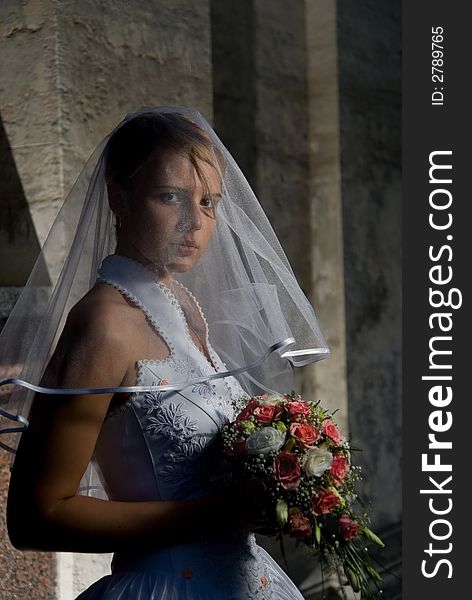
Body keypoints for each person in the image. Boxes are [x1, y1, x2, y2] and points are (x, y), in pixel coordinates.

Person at [1, 107, 330, 599]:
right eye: (170, 197)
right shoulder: (103, 324)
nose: (194, 223)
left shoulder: (186, 307)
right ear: (119, 197)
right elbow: (35, 517)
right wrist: (211, 515)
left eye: (209, 202)